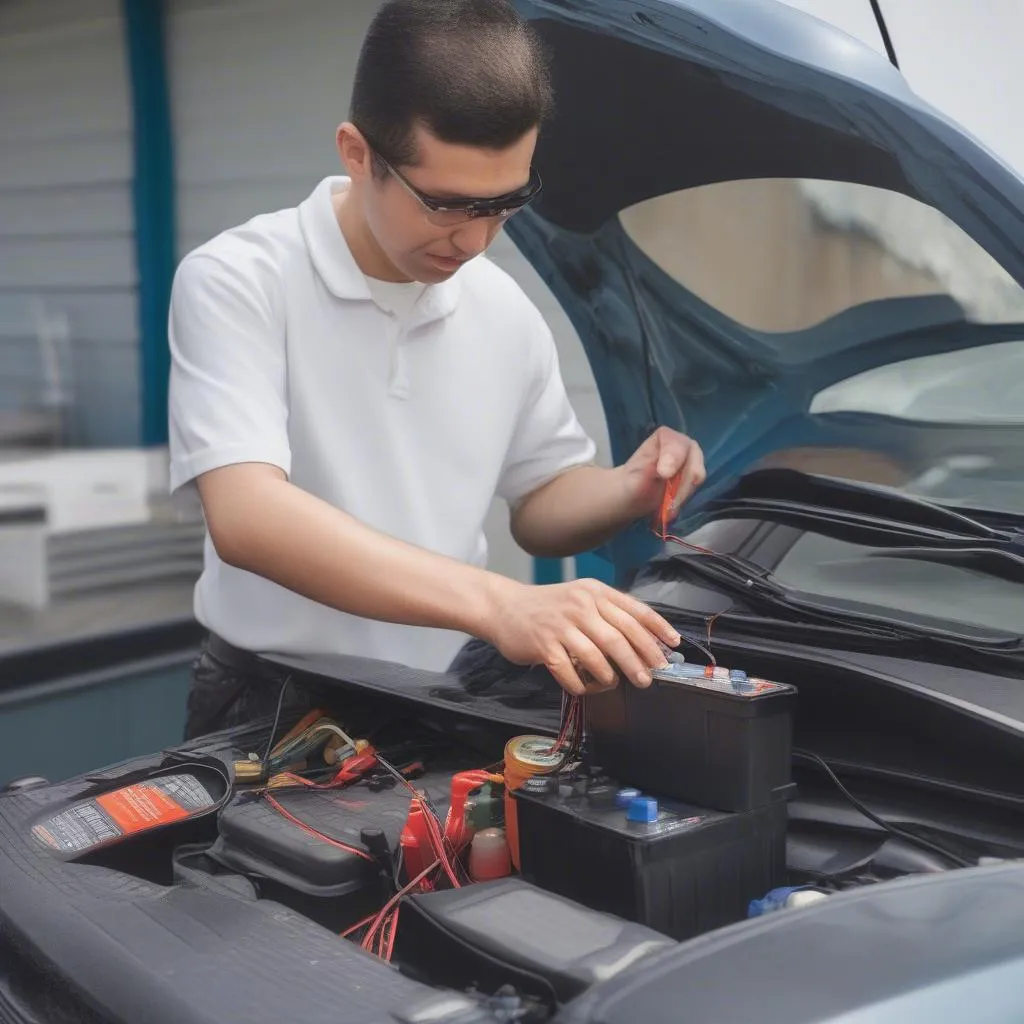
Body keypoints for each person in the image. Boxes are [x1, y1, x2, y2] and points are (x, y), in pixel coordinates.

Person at [168, 0, 706, 740]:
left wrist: (626, 488)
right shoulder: (238, 280)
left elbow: (541, 498)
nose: (477, 240)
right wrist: (499, 605)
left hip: (444, 690)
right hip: (274, 702)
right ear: (358, 154)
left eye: (506, 203)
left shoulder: (501, 310)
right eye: (447, 205)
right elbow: (249, 516)